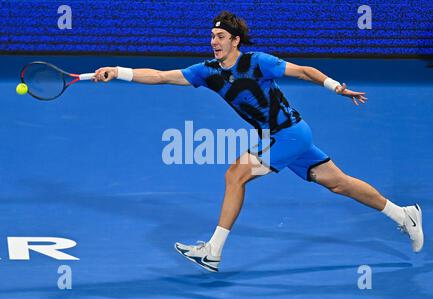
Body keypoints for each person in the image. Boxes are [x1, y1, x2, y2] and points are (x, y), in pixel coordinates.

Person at [93, 11, 424, 272]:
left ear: (235, 40)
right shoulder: (207, 71)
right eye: (212, 36)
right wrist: (119, 71)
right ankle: (403, 214)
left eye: (220, 37)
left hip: (290, 134)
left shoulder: (258, 62)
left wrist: (336, 87)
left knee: (235, 174)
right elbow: (163, 77)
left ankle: (213, 251)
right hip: (287, 138)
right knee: (340, 184)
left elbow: (305, 71)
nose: (214, 42)